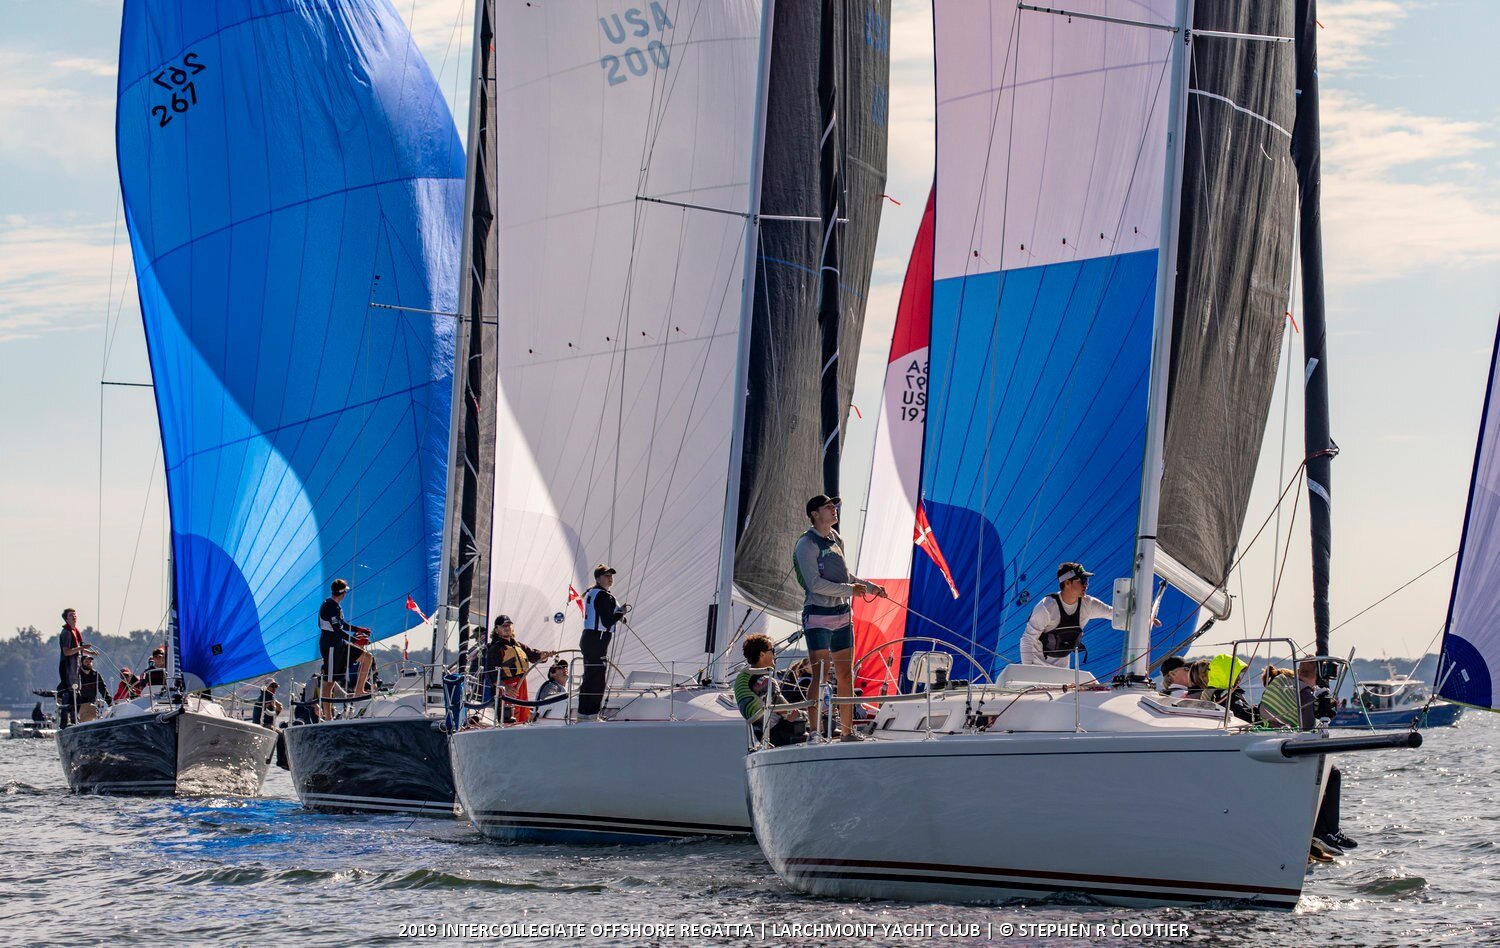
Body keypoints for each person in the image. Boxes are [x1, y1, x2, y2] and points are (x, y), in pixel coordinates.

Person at [793, 494, 884, 740]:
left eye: (835, 506)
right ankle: (813, 732)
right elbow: (814, 583)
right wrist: (849, 591)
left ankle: (846, 732)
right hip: (818, 616)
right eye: (829, 507)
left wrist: (870, 587)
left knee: (845, 675)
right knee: (820, 676)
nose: (835, 510)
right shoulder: (806, 544)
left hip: (843, 615)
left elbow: (845, 575)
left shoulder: (837, 539)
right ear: (814, 514)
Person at [1297, 660, 1357, 855]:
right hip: (1295, 749)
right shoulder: (1304, 693)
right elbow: (1307, 729)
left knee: (1329, 772)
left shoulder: (1293, 687)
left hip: (1290, 745)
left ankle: (1327, 831)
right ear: (1319, 674)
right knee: (1332, 773)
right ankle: (1326, 831)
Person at [1020, 563, 1122, 668]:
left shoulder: (1089, 604)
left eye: (1087, 581)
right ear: (1067, 583)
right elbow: (1027, 639)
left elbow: (1116, 615)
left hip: (1063, 673)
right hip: (1037, 670)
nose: (1086, 585)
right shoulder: (1047, 607)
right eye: (1082, 580)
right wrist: (1027, 671)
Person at [733, 633, 806, 747]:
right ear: (762, 654)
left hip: (758, 735)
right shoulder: (765, 681)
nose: (775, 654)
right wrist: (810, 715)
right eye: (772, 650)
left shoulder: (742, 677)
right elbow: (790, 714)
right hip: (778, 735)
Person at [579, 565, 629, 721]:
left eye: (611, 576)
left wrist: (618, 615)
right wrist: (620, 613)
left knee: (591, 677)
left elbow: (605, 616)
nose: (610, 578)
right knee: (596, 679)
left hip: (591, 639)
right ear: (598, 578)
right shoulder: (602, 596)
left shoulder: (596, 593)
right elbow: (607, 621)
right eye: (606, 575)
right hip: (596, 640)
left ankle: (585, 714)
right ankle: (590, 715)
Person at [318, 578, 373, 719]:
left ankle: (359, 690)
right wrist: (356, 640)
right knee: (329, 683)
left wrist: (359, 629)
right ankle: (328, 718)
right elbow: (337, 630)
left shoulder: (336, 606)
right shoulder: (329, 606)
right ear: (343, 593)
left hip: (340, 644)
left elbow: (343, 625)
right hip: (331, 647)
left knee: (367, 658)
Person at [485, 616, 556, 723]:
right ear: (496, 629)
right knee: (511, 719)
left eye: (509, 625)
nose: (507, 628)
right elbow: (491, 674)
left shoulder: (518, 645)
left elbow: (533, 656)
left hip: (522, 684)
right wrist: (505, 687)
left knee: (524, 715)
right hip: (507, 687)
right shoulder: (495, 649)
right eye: (504, 626)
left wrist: (544, 655)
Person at [57, 608, 90, 728]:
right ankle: (65, 722)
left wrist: (89, 651)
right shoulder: (65, 633)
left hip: (76, 667)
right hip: (67, 666)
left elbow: (78, 648)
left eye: (75, 615)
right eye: (71, 615)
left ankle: (75, 719)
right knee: (69, 693)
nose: (74, 617)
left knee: (77, 693)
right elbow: (67, 652)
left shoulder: (76, 631)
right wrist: (81, 649)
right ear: (66, 618)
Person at [75, 654, 113, 722]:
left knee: (96, 714)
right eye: (86, 661)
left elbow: (103, 689)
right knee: (89, 714)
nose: (89, 663)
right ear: (81, 663)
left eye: (90, 661)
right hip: (80, 703)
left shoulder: (96, 674)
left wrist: (109, 701)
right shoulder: (77, 675)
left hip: (93, 702)